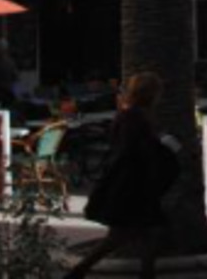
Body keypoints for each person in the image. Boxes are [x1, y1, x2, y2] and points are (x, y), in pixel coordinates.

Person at [71, 73, 180, 279]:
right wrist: (163, 148)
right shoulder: (134, 118)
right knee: (126, 234)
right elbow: (135, 150)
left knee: (143, 233)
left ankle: (145, 274)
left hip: (131, 183)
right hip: (132, 184)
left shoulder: (131, 115)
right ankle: (79, 271)